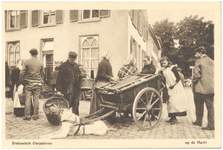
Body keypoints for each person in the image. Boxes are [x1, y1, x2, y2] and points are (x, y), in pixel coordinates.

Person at [160, 56, 188, 125]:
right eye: (162, 63)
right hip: (168, 86)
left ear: (168, 61)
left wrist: (173, 85)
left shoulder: (173, 68)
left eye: (164, 63)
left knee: (174, 102)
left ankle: (174, 119)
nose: (163, 64)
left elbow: (178, 78)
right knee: (169, 102)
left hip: (176, 86)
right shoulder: (163, 70)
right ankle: (172, 117)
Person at [192, 46, 214, 130]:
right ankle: (211, 124)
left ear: (200, 53)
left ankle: (199, 121)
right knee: (210, 106)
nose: (195, 55)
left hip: (200, 87)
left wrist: (193, 82)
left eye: (196, 53)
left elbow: (196, 75)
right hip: (211, 87)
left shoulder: (199, 61)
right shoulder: (212, 61)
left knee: (198, 104)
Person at [20, 49, 44, 121]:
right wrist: (41, 80)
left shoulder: (26, 62)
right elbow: (43, 73)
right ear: (37, 54)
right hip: (37, 83)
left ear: (30, 54)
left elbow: (22, 72)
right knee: (36, 99)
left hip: (28, 83)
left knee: (28, 99)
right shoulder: (40, 62)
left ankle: (27, 115)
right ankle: (35, 115)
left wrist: (22, 81)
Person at [56, 51, 83, 116]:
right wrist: (59, 90)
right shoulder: (63, 66)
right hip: (67, 89)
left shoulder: (76, 66)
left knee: (76, 104)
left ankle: (76, 118)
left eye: (74, 60)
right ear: (68, 58)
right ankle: (66, 118)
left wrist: (81, 75)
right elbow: (59, 79)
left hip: (76, 88)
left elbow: (79, 75)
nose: (73, 61)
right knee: (68, 104)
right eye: (71, 60)